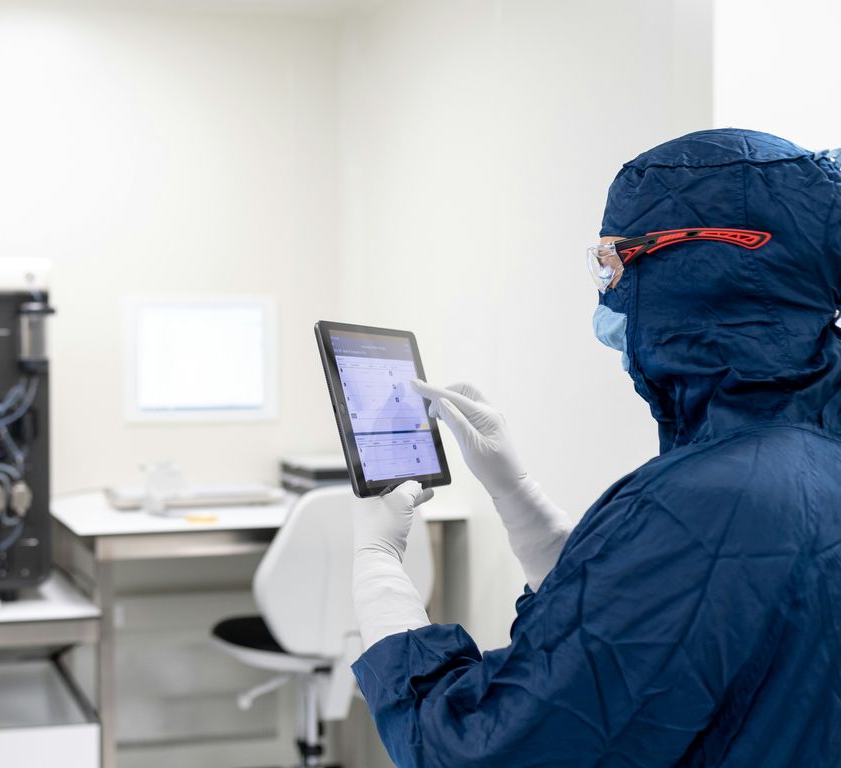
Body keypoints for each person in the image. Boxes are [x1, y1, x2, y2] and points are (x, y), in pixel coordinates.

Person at [350, 129, 841, 766]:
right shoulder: (803, 454)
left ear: (696, 268)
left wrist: (378, 566)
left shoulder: (710, 498)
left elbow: (477, 747)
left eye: (612, 262)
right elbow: (663, 626)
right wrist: (516, 497)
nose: (606, 292)